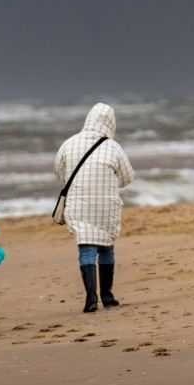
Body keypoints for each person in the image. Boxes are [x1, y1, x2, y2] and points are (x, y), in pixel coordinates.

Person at [54, 103, 135, 313]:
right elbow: (127, 178)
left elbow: (59, 171)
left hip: (78, 204)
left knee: (86, 248)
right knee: (106, 245)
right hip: (105, 205)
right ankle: (107, 297)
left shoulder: (69, 143)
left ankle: (91, 297)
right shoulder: (113, 147)